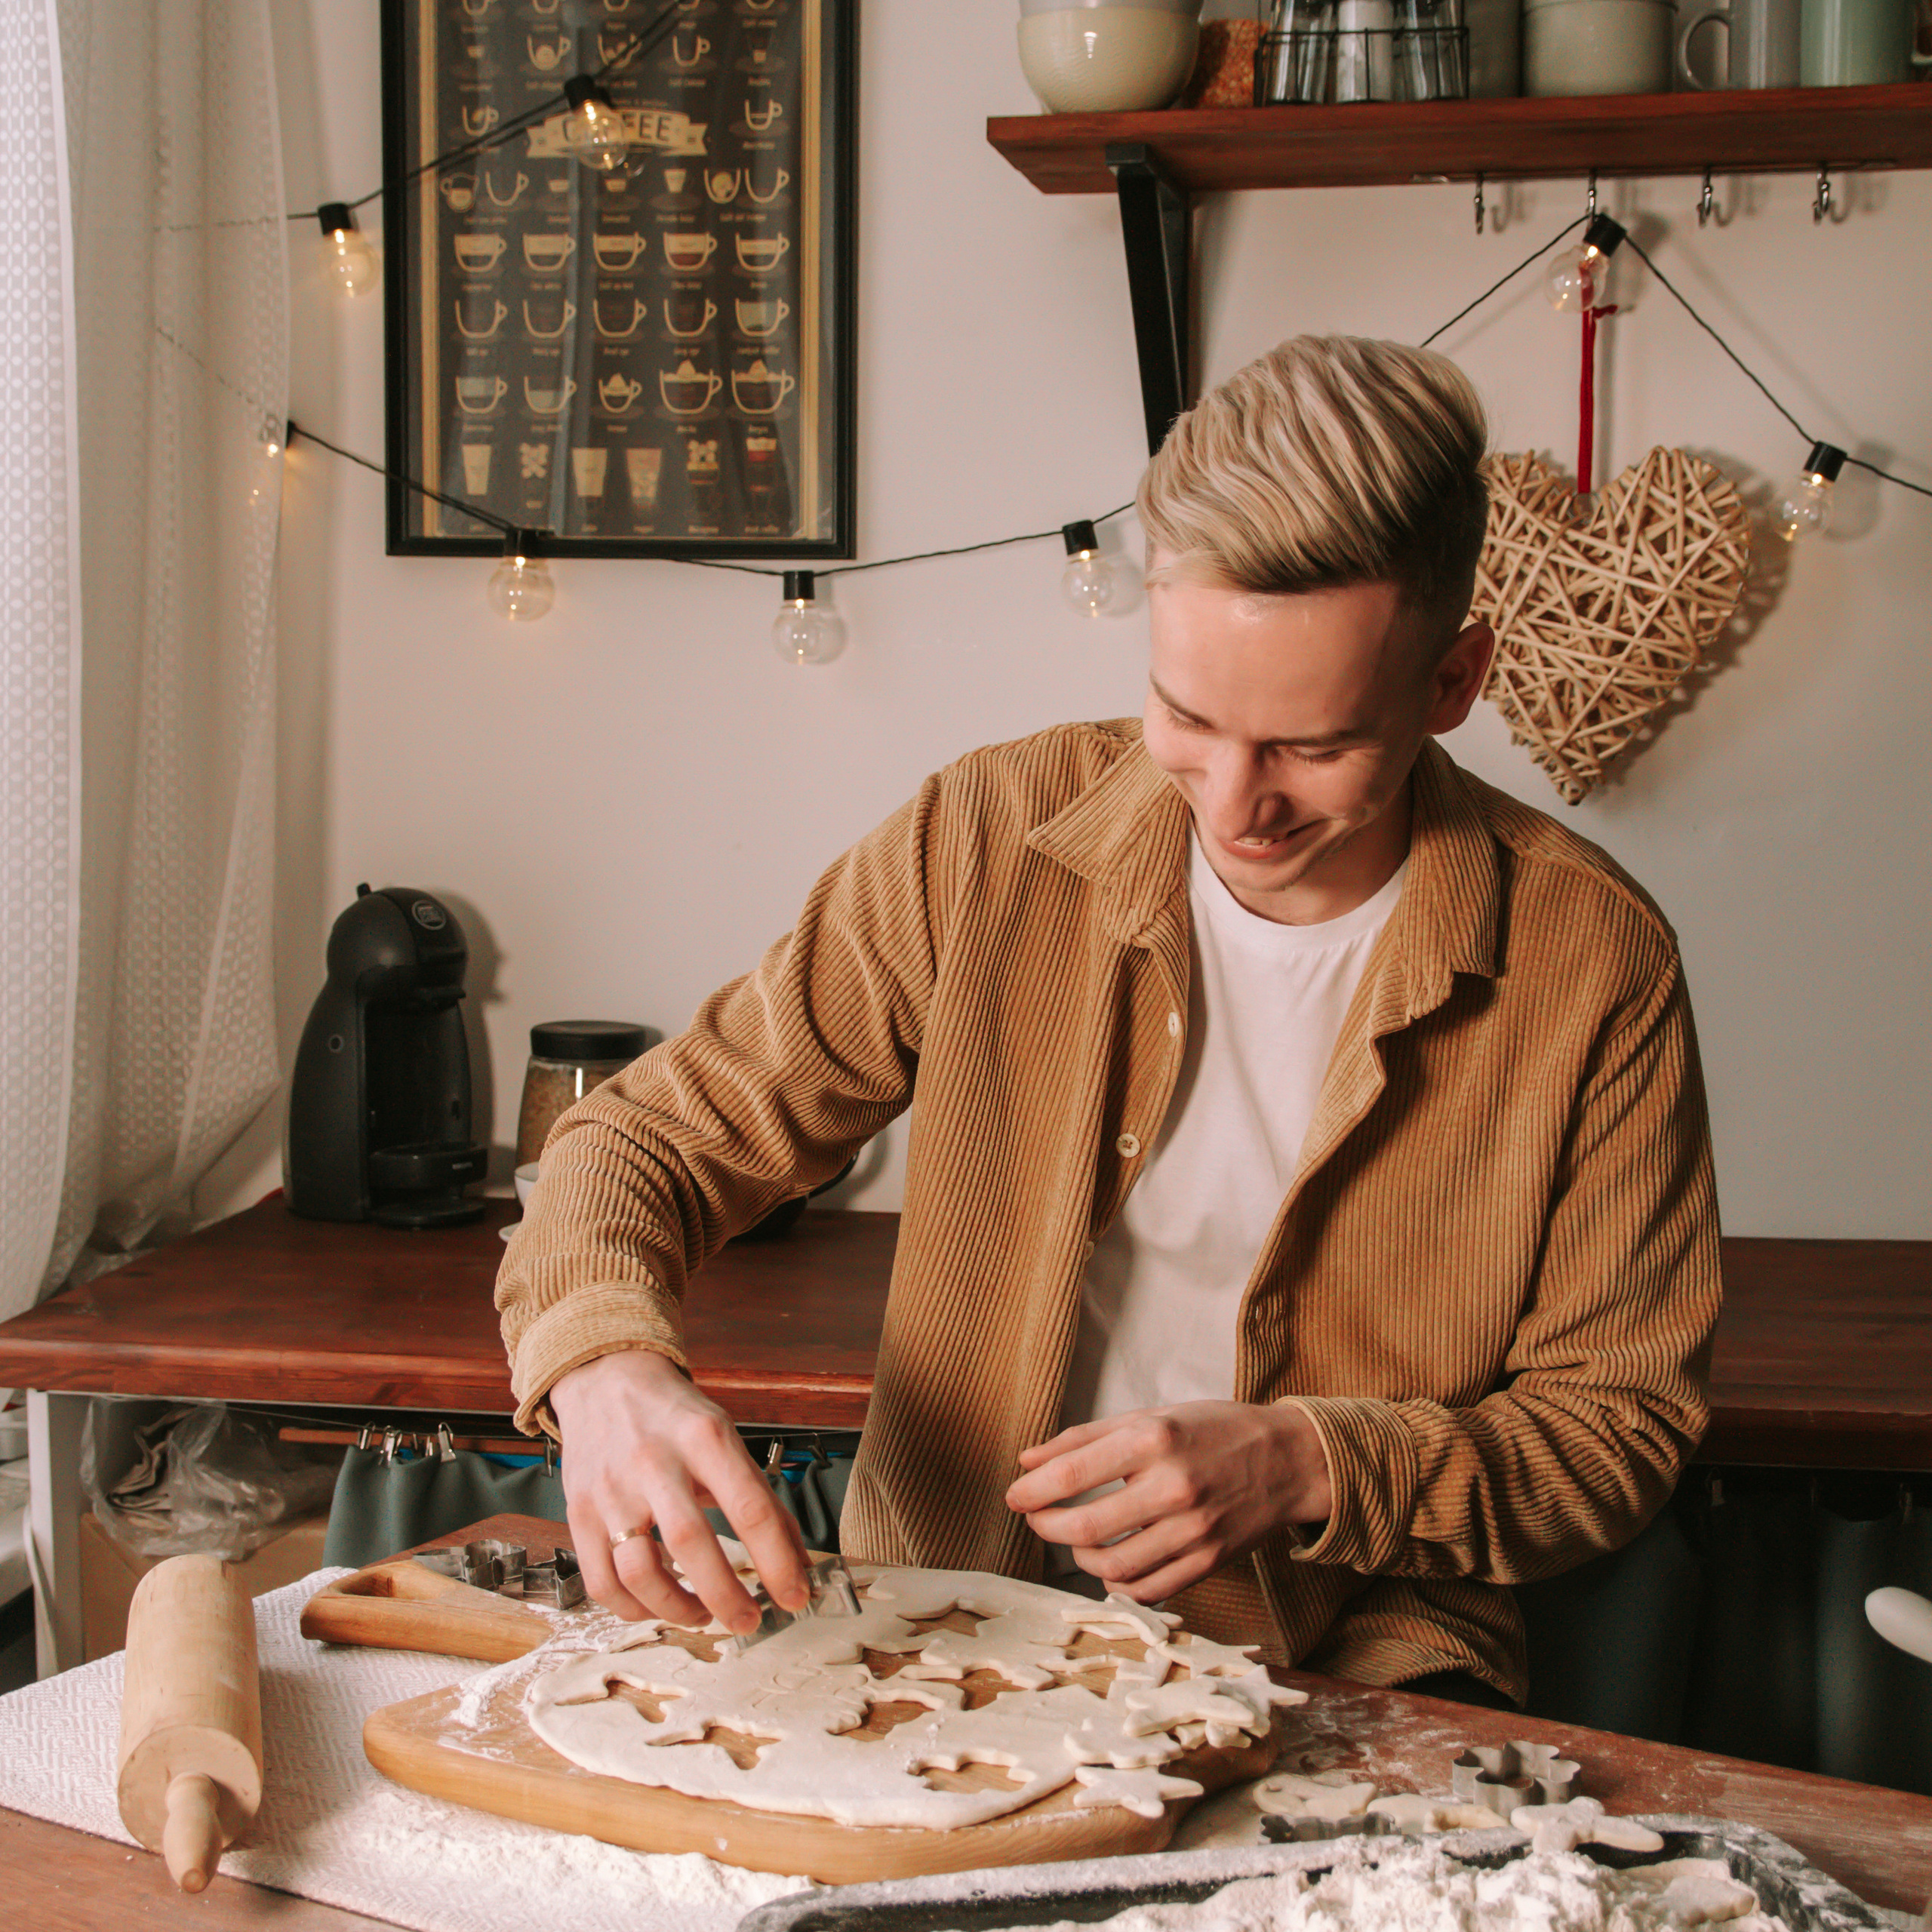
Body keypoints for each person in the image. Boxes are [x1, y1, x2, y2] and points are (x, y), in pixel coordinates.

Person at [495, 335, 1720, 1707]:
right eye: (1186, 716)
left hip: (1364, 1665)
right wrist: (604, 1368)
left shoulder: (1593, 958)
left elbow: (1616, 1430)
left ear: (1452, 682)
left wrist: (1313, 1461)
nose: (1234, 807)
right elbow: (644, 1142)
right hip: (934, 1630)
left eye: (1314, 748)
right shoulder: (983, 838)